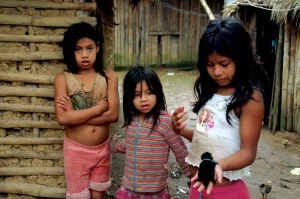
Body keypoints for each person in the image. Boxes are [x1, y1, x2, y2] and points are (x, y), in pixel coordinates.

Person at [171, 18, 266, 199]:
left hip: (226, 192)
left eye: (224, 64)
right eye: (210, 64)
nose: (216, 72)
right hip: (197, 188)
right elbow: (208, 136)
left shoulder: (250, 99)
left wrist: (218, 165)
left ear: (241, 60)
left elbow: (248, 152)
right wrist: (180, 130)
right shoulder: (211, 91)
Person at [54, 22, 119, 199]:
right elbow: (62, 118)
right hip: (76, 151)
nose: (85, 55)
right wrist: (99, 108)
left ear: (97, 47)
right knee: (78, 196)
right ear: (70, 51)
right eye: (78, 49)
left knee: (99, 194)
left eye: (89, 48)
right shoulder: (63, 79)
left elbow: (113, 115)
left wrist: (74, 115)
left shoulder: (109, 77)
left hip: (103, 150)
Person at [110, 66, 191, 199]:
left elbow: (181, 152)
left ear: (158, 93)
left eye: (149, 92)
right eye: (137, 95)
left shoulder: (166, 122)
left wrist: (193, 178)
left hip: (155, 193)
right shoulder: (132, 120)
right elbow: (132, 143)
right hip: (129, 190)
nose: (143, 99)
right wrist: (111, 144)